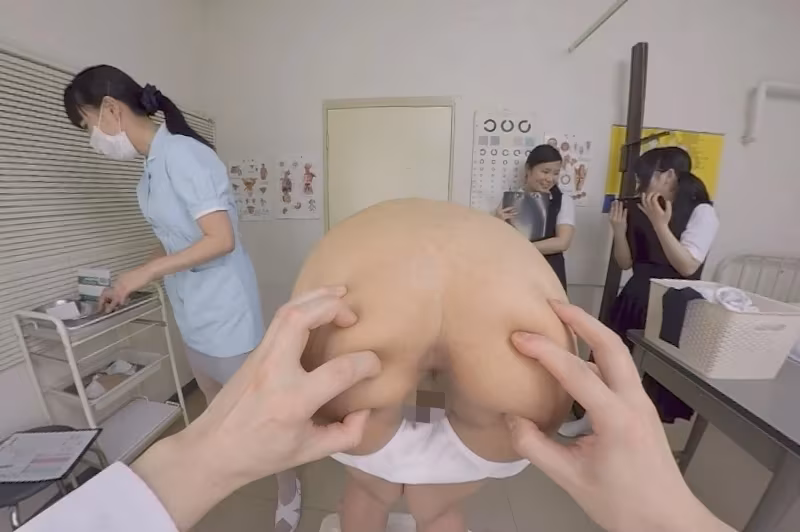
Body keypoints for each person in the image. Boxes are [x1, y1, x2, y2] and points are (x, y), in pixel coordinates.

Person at [20, 289, 734, 532]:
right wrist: (673, 518)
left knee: (365, 491)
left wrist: (192, 460)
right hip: (500, 396)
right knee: (439, 510)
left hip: (364, 394)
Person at [62, 65, 301, 532]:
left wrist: (146, 272)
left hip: (226, 311)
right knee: (213, 406)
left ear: (110, 109)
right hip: (191, 309)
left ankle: (289, 486)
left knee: (257, 412)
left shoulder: (186, 156)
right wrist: (129, 280)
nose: (93, 138)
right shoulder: (149, 172)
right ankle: (227, 472)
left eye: (88, 124)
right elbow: (174, 240)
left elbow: (220, 239)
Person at [559, 146, 720, 438]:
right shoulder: (644, 208)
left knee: (652, 375)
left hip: (671, 303)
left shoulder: (702, 212)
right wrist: (619, 231)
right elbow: (626, 262)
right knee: (611, 361)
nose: (640, 185)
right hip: (636, 295)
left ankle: (636, 435)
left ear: (668, 175)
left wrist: (660, 225)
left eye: (645, 177)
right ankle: (592, 420)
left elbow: (686, 265)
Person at [495, 145, 575, 289]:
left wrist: (521, 248)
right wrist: (498, 224)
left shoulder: (563, 201)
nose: (550, 179)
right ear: (528, 169)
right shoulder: (511, 199)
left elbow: (562, 242)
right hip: (514, 270)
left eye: (556, 173)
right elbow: (499, 242)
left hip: (549, 273)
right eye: (545, 171)